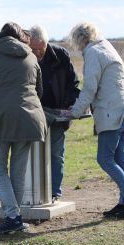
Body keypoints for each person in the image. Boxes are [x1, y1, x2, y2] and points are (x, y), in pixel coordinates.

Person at [0, 22, 47, 233]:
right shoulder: (31, 56)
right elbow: (39, 90)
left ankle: (12, 216)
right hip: (29, 119)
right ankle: (15, 216)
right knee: (18, 171)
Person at [64, 21, 124, 219]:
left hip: (111, 111)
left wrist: (75, 111)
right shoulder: (106, 46)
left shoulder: (92, 53)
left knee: (105, 158)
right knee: (120, 157)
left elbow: (90, 87)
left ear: (79, 40)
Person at [29, 25, 80, 201]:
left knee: (56, 154)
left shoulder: (61, 55)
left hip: (58, 114)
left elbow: (73, 84)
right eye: (33, 49)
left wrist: (69, 106)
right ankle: (32, 194)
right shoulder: (24, 57)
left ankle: (54, 193)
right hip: (32, 115)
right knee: (31, 155)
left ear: (46, 43)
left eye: (40, 48)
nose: (37, 53)